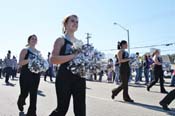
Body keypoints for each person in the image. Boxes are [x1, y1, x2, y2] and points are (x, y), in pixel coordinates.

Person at [49, 14, 86, 116]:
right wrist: (73, 56)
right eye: (72, 21)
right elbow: (53, 59)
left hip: (79, 77)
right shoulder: (61, 40)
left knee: (81, 109)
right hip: (64, 77)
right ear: (65, 24)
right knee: (62, 109)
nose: (75, 23)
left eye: (77, 22)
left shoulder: (80, 42)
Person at [17, 34, 41, 116]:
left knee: (34, 94)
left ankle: (32, 112)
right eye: (32, 39)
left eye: (35, 39)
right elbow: (20, 62)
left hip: (36, 75)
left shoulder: (38, 52)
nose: (34, 40)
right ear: (29, 41)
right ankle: (20, 101)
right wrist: (29, 59)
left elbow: (40, 64)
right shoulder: (25, 50)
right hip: (25, 75)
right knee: (24, 93)